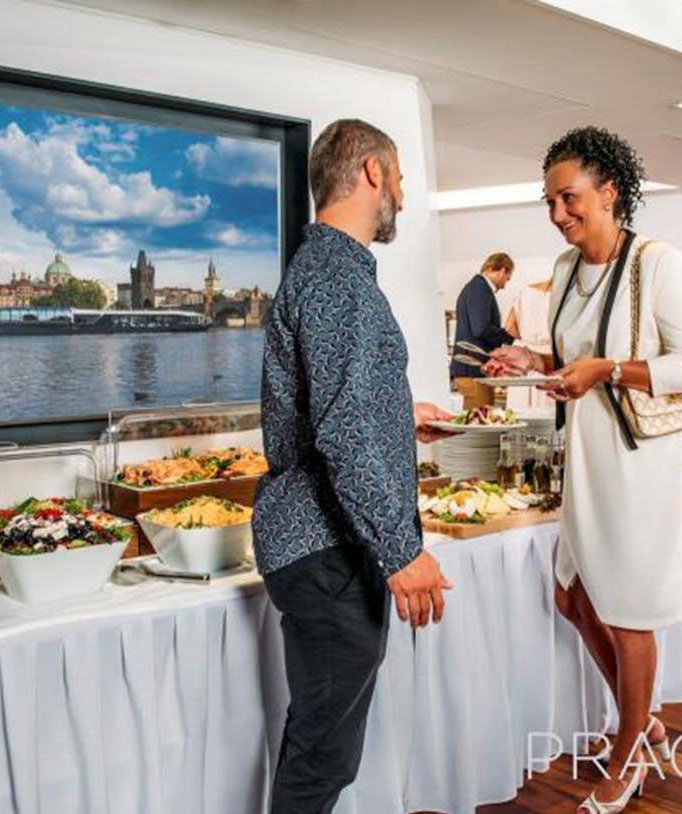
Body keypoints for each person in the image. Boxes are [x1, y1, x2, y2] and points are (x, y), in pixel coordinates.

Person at [487, 126, 682, 814]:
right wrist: (535, 364)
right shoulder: (560, 273)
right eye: (550, 202)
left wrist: (610, 371)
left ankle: (627, 750)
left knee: (627, 612)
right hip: (582, 457)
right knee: (575, 598)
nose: (559, 214)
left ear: (609, 191)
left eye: (569, 197)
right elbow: (569, 360)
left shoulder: (656, 261)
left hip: (636, 462)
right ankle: (639, 721)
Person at [252, 118, 454, 814]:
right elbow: (341, 432)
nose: (401, 189)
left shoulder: (326, 271)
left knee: (318, 743)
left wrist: (400, 412)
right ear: (372, 172)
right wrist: (402, 552)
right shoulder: (338, 279)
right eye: (398, 174)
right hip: (328, 550)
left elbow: (335, 408)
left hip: (314, 547)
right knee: (323, 760)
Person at [451, 252, 515, 407]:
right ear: (502, 270)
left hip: (474, 371)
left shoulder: (477, 287)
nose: (504, 285)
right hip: (472, 371)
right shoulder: (480, 288)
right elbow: (480, 329)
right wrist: (507, 335)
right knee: (479, 426)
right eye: (507, 279)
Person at [503, 276, 556, 413]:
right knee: (547, 411)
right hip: (548, 357)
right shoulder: (562, 296)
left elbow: (509, 327)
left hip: (523, 355)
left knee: (520, 410)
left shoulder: (525, 292)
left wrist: (529, 339)